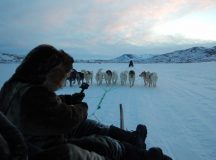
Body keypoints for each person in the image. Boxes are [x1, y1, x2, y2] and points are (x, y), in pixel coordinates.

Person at [0, 44, 172, 160]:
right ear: (47, 71)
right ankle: (145, 156)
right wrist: (81, 107)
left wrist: (68, 99)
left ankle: (133, 138)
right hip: (47, 149)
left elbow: (44, 109)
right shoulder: (35, 94)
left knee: (88, 125)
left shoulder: (14, 87)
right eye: (61, 75)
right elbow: (68, 118)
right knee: (101, 143)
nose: (62, 81)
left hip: (37, 137)